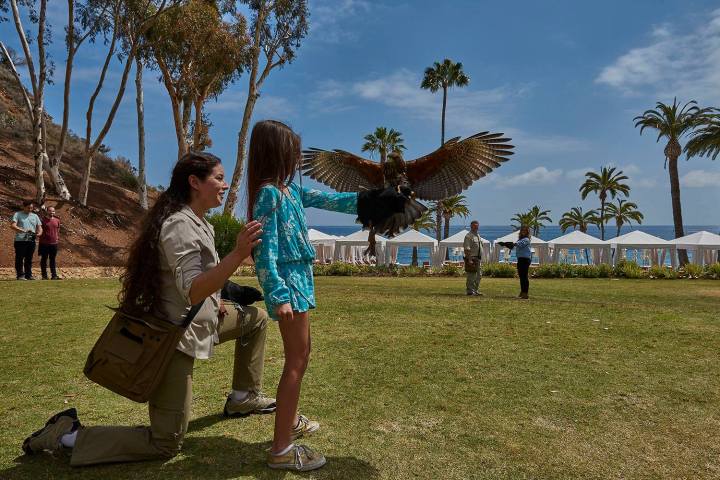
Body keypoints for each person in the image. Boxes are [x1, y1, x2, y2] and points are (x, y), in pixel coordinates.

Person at [22, 151, 276, 466]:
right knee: (165, 443)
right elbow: (193, 287)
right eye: (219, 178)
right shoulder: (178, 225)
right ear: (195, 182)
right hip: (172, 341)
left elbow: (197, 285)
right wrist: (238, 255)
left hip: (201, 324)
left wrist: (217, 301)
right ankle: (65, 434)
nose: (225, 186)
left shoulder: (201, 224)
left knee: (256, 319)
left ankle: (243, 398)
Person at [247, 120, 411, 471]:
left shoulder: (289, 191)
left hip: (300, 280)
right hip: (288, 284)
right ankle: (280, 450)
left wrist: (374, 200)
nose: (295, 160)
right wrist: (277, 294)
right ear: (276, 153)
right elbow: (264, 251)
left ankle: (288, 421)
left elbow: (332, 199)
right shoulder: (268, 194)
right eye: (291, 151)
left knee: (303, 356)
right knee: (296, 360)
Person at [11, 199, 42, 280]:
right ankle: (20, 275)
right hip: (20, 241)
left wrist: (39, 233)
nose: (30, 209)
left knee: (29, 258)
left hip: (31, 240)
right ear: (23, 207)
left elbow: (40, 228)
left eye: (31, 208)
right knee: (19, 258)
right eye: (28, 208)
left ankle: (29, 275)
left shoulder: (35, 216)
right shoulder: (17, 214)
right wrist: (23, 230)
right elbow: (13, 226)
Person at [38, 205, 61, 280]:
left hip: (54, 244)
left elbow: (58, 230)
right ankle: (44, 276)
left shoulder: (57, 220)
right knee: (44, 259)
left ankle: (54, 275)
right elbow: (39, 230)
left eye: (53, 211)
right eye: (50, 211)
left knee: (53, 259)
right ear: (47, 211)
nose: (52, 212)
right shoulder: (42, 220)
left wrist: (57, 238)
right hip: (44, 243)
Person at [463, 220, 483, 296]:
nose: (476, 227)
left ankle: (475, 290)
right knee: (471, 276)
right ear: (471, 226)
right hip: (472, 258)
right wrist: (469, 259)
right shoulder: (469, 236)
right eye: (474, 226)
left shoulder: (477, 235)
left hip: (478, 259)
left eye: (477, 226)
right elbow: (466, 249)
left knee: (479, 275)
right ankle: (470, 291)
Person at [515, 225, 532, 299]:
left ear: (527, 232)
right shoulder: (521, 239)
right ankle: (522, 292)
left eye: (525, 231)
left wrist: (512, 244)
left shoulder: (526, 239)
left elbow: (520, 245)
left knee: (524, 276)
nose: (523, 232)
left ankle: (525, 293)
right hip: (521, 259)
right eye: (522, 230)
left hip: (525, 259)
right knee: (521, 276)